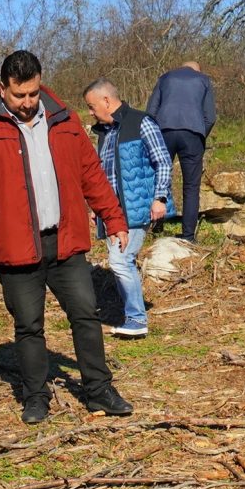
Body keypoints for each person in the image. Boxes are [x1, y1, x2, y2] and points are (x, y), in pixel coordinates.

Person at [0, 49, 132, 423]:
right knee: (28, 326)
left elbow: (91, 174)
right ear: (2, 89)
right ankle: (36, 398)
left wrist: (113, 217)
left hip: (65, 241)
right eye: (20, 96)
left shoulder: (63, 121)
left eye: (33, 94)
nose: (28, 103)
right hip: (15, 246)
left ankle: (99, 390)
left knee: (85, 313)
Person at [85, 77, 172, 339]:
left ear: (106, 101)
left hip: (136, 208)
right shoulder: (105, 133)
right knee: (120, 260)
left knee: (120, 260)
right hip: (113, 213)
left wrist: (160, 198)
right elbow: (104, 176)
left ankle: (136, 319)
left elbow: (163, 161)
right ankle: (130, 316)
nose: (90, 112)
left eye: (91, 106)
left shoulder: (141, 122)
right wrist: (96, 208)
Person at [146, 60, 213, 242]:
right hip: (193, 134)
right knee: (191, 187)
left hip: (164, 132)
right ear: (197, 70)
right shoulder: (203, 80)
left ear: (181, 67)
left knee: (160, 177)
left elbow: (151, 111)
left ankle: (156, 225)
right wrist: (200, 134)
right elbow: (210, 117)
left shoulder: (165, 78)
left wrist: (153, 135)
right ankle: (188, 236)